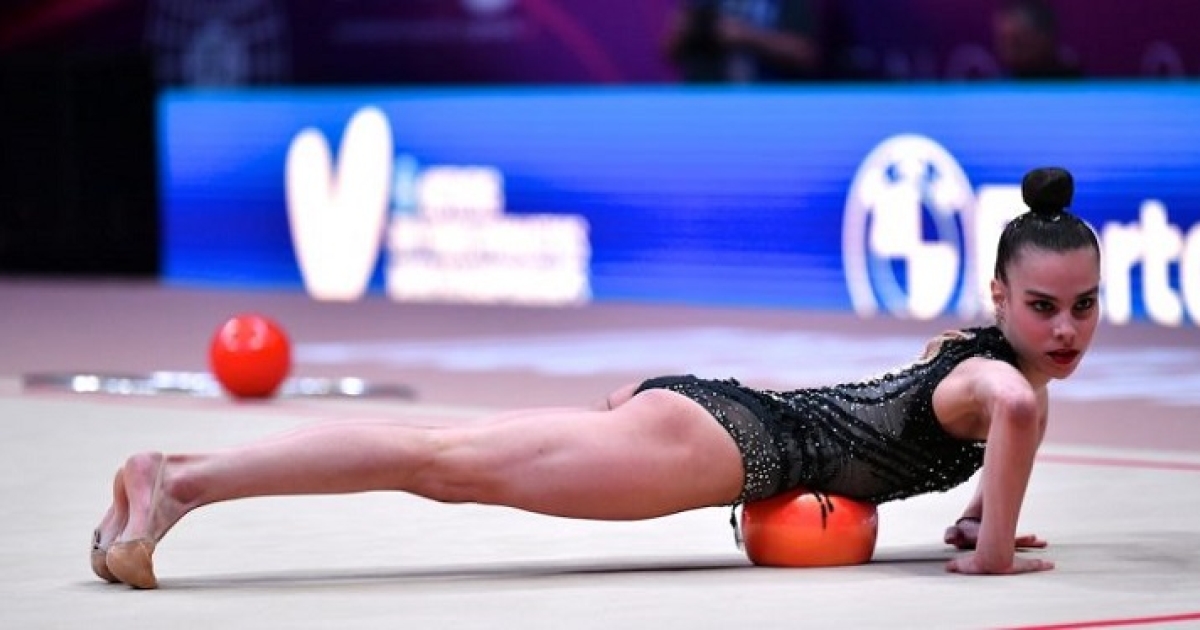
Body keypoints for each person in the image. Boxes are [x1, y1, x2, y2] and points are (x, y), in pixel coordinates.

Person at [90, 167, 1101, 587]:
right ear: (999, 296)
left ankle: (177, 476)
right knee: (440, 464)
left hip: (714, 418)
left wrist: (982, 516)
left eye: (1084, 306)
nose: (1065, 330)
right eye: (1042, 306)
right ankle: (180, 484)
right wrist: (994, 554)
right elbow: (1008, 414)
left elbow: (970, 441)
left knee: (445, 458)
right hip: (725, 447)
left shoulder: (974, 355)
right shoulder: (1005, 385)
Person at [662, 0, 827, 83]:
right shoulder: (704, 2)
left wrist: (747, 36)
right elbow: (670, 51)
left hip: (771, 101)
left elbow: (806, 53)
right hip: (710, 101)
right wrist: (682, 32)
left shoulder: (786, 3)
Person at [992, 0, 1083, 79]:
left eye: (1017, 41)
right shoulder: (999, 85)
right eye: (1003, 40)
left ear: (1044, 38)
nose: (1009, 50)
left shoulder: (1075, 85)